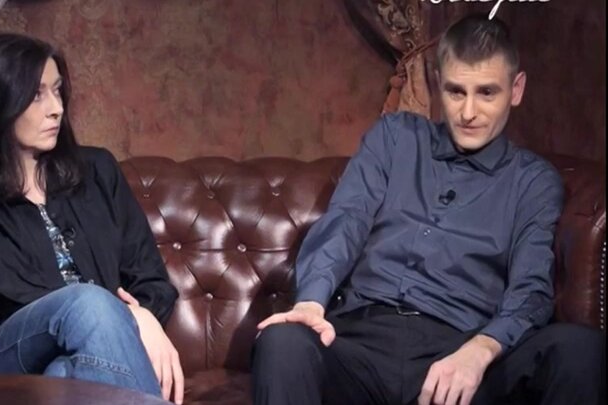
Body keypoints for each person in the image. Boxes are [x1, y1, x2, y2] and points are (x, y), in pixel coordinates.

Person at [251, 13, 605, 405]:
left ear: (516, 89)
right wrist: (311, 301)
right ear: (438, 83)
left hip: (459, 351)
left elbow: (531, 289)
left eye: (487, 93)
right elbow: (347, 221)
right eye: (456, 92)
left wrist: (481, 350)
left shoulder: (533, 181)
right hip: (361, 343)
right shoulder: (394, 138)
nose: (468, 112)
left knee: (580, 350)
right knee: (282, 343)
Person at [0, 33, 184, 404]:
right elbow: (13, 290)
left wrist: (143, 312)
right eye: (37, 95)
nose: (56, 108)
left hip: (81, 348)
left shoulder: (98, 170)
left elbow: (151, 278)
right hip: (3, 351)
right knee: (87, 304)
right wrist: (130, 318)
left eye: (57, 90)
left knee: (64, 375)